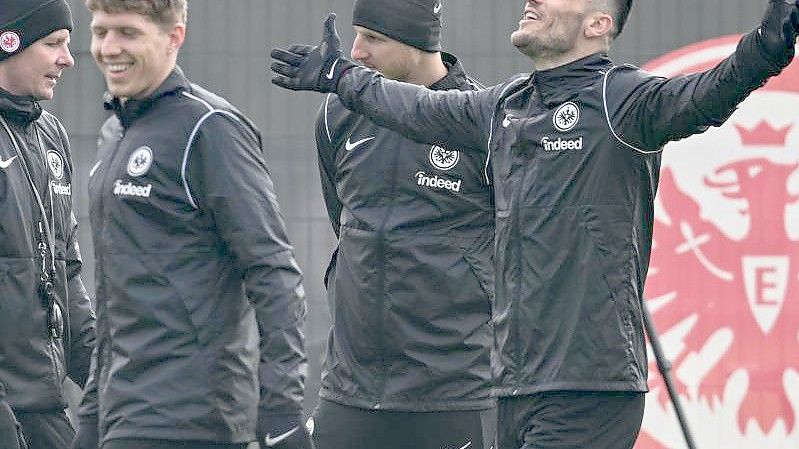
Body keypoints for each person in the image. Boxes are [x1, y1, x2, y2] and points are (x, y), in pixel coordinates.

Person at [269, 0, 799, 448]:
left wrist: (769, 45)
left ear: (598, 25)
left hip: (588, 390)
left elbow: (708, 92)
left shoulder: (625, 100)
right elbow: (413, 108)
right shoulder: (506, 106)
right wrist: (341, 76)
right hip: (513, 389)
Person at [70, 1, 313, 449]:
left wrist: (281, 409)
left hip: (198, 421)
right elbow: (115, 302)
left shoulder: (210, 128)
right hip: (123, 419)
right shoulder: (116, 135)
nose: (109, 48)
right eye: (100, 31)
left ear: (173, 37)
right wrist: (91, 416)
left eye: (128, 32)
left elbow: (274, 274)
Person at [309, 1, 496, 448]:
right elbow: (345, 222)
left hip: (453, 393)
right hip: (349, 391)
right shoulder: (338, 115)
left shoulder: (478, 120)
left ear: (418, 43)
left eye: (374, 39)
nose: (357, 52)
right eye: (357, 35)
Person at [0, 1, 96, 448]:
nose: (68, 58)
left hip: (42, 398)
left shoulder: (52, 136)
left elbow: (66, 271)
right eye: (53, 43)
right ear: (8, 43)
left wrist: (104, 379)